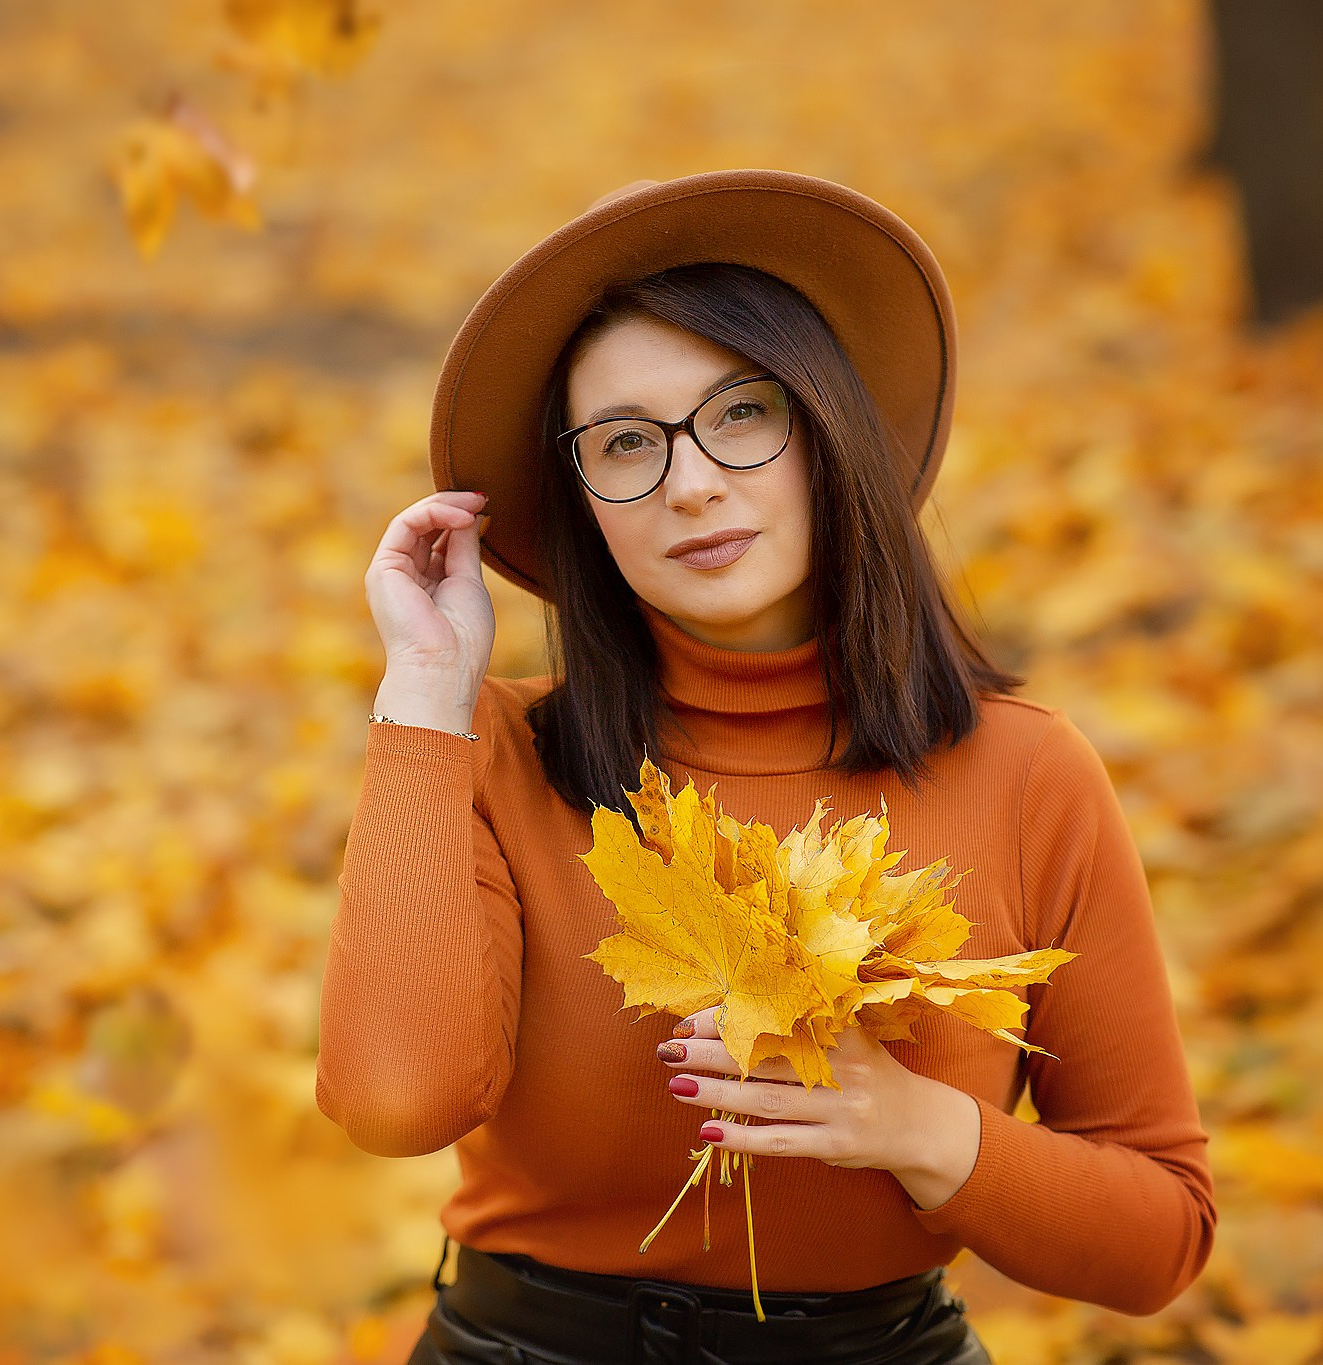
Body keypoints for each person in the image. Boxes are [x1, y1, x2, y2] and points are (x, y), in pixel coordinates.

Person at [317, 170, 1215, 1365]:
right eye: (625, 444)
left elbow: (1158, 1240)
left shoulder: (1027, 774)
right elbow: (393, 1103)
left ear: (826, 426)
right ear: (583, 505)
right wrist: (426, 696)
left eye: (741, 413)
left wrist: (917, 1129)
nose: (691, 482)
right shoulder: (494, 757)